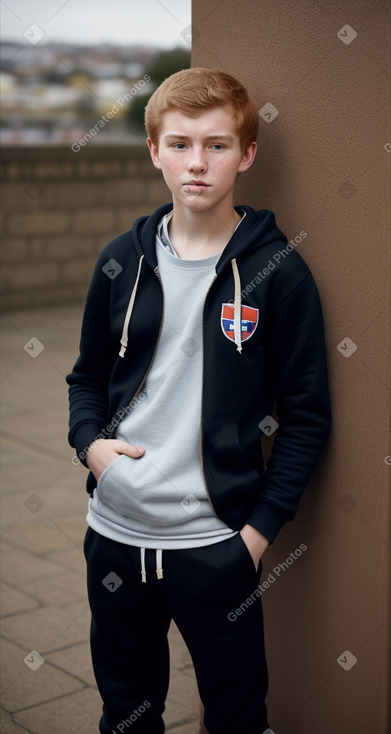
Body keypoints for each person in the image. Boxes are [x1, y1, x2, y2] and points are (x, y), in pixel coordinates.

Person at [66, 67, 331, 734]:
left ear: (246, 156)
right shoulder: (118, 263)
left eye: (217, 145)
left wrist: (254, 536)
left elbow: (305, 417)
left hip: (216, 550)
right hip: (114, 541)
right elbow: (86, 378)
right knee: (126, 715)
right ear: (153, 149)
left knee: (238, 719)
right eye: (180, 143)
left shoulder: (279, 275)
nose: (197, 162)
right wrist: (91, 447)